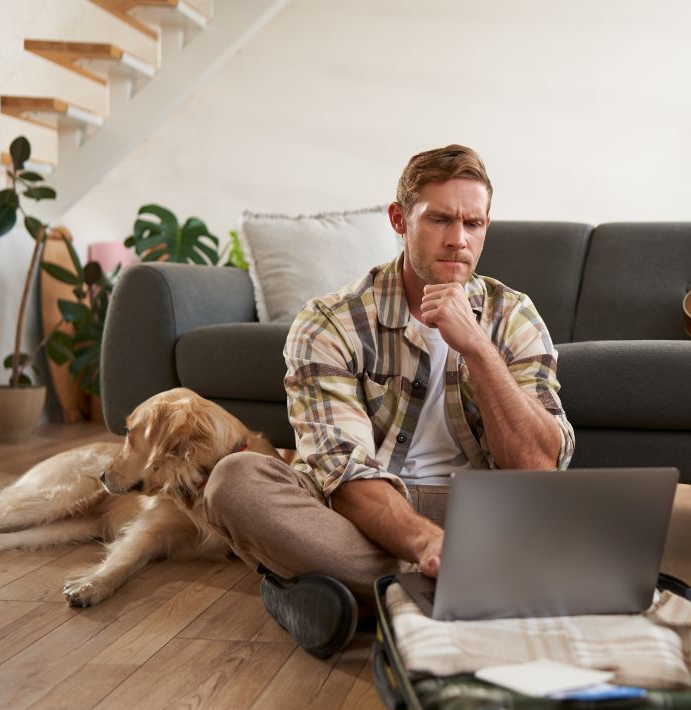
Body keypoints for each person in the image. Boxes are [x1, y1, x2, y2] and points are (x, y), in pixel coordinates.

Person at [203, 144, 575, 657]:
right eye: (440, 219)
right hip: (364, 517)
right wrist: (426, 545)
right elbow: (345, 476)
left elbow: (536, 468)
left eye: (474, 223)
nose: (459, 240)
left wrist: (478, 349)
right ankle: (468, 590)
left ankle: (332, 594)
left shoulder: (513, 316)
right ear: (400, 219)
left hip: (482, 514)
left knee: (577, 521)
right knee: (235, 482)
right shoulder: (330, 322)